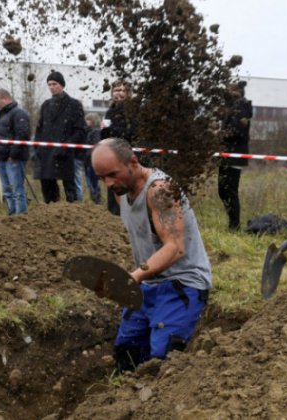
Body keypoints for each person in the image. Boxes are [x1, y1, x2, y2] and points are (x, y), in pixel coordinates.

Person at [91, 138, 212, 372]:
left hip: (183, 284)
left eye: (113, 174)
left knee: (161, 359)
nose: (108, 183)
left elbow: (175, 247)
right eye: (101, 177)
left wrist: (133, 277)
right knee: (127, 352)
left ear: (133, 162)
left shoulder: (160, 191)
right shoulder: (121, 192)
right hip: (149, 284)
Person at [33, 71, 86, 204]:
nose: (51, 87)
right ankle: (52, 211)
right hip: (46, 152)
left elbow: (80, 130)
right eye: (49, 84)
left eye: (54, 84)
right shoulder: (45, 105)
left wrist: (67, 146)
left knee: (70, 187)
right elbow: (39, 128)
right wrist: (37, 146)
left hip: (66, 152)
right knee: (47, 187)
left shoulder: (74, 105)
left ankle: (74, 211)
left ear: (62, 85)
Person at [218, 81, 252, 231]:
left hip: (235, 154)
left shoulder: (241, 108)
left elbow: (237, 131)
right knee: (223, 190)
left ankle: (234, 225)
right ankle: (233, 223)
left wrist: (220, 135)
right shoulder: (233, 108)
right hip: (228, 154)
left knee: (229, 190)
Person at [0, 88, 30, 215]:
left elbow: (22, 135)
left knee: (17, 190)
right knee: (7, 190)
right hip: (2, 157)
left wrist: (13, 155)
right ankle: (12, 213)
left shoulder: (19, 113)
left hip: (13, 158)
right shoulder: (1, 115)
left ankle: (21, 215)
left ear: (6, 98)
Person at [101, 80, 136, 215]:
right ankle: (114, 216)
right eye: (116, 90)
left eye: (122, 90)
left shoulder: (133, 111)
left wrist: (112, 129)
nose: (119, 93)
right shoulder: (110, 111)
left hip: (129, 157)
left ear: (128, 93)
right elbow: (103, 134)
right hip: (112, 156)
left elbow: (131, 133)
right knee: (113, 187)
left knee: (129, 190)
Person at [74, 112, 102, 204]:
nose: (86, 121)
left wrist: (87, 154)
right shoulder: (86, 131)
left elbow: (94, 145)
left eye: (88, 120)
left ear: (93, 121)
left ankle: (97, 200)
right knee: (89, 182)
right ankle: (94, 199)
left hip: (92, 161)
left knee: (93, 182)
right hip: (86, 160)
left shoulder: (96, 131)